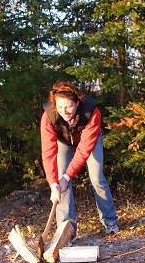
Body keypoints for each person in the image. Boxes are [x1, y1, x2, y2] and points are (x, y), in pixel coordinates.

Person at [40, 81, 119, 240]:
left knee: (97, 178)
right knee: (62, 186)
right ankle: (66, 231)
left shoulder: (92, 111)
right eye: (60, 107)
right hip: (64, 142)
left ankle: (110, 222)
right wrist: (54, 184)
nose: (64, 111)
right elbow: (48, 153)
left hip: (89, 141)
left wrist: (67, 176)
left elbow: (83, 150)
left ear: (77, 102)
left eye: (69, 107)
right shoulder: (49, 116)